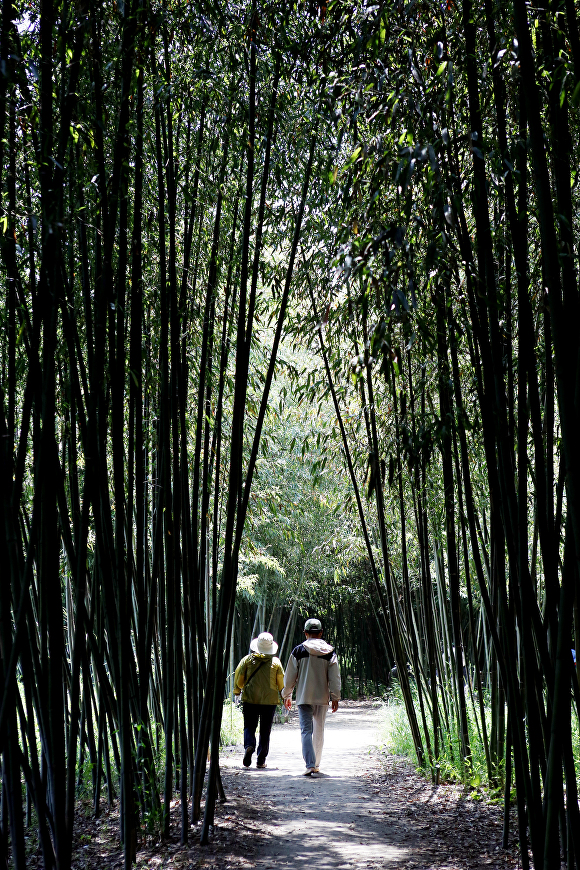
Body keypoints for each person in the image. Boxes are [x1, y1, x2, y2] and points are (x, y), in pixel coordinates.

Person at [282, 617, 341, 775]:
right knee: (319, 730)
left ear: (305, 633)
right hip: (322, 698)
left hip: (303, 697)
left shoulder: (298, 651)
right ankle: (316, 764)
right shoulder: (329, 652)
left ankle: (309, 764)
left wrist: (286, 695)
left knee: (306, 731)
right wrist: (335, 697)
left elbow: (289, 678)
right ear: (321, 632)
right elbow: (334, 677)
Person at [234, 632, 284, 769]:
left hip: (250, 699)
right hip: (269, 701)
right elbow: (281, 683)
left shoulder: (247, 660)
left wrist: (237, 691)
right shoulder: (276, 662)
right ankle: (261, 760)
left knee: (249, 726)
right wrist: (285, 697)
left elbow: (238, 679)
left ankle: (249, 745)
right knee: (265, 730)